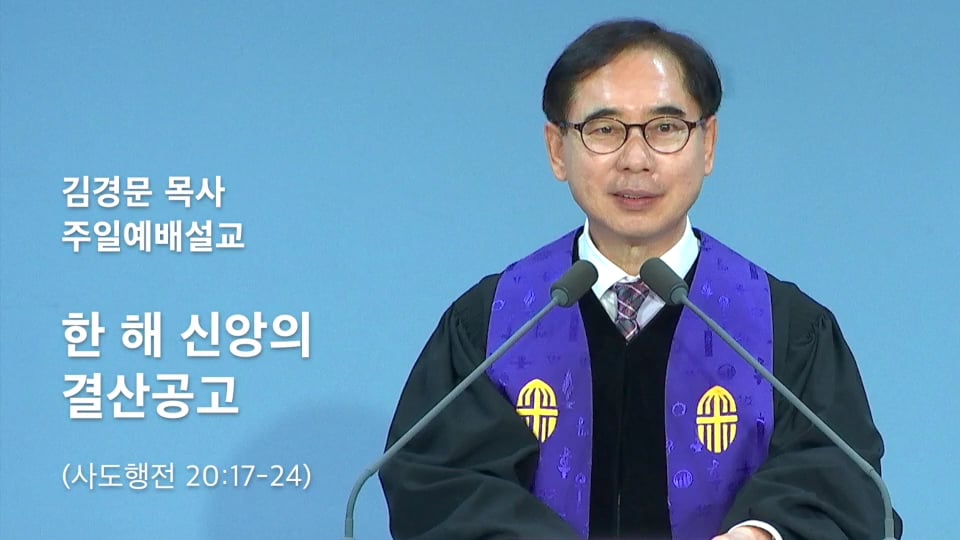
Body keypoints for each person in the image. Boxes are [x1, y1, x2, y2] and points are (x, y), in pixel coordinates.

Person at [379, 18, 901, 540]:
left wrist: (765, 534)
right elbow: (437, 485)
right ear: (558, 149)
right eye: (605, 129)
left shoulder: (783, 331)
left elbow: (843, 487)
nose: (636, 160)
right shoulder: (496, 325)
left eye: (666, 128)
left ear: (709, 143)